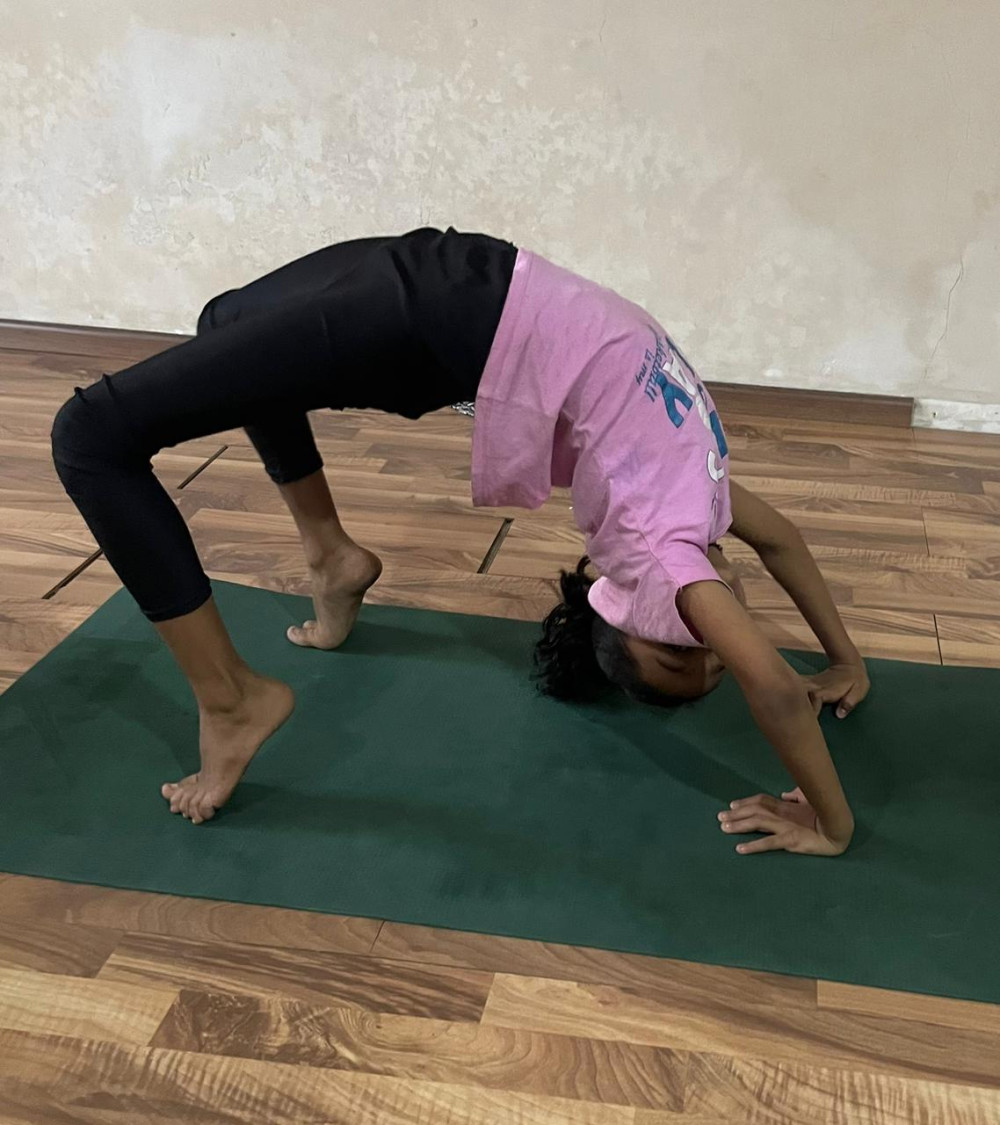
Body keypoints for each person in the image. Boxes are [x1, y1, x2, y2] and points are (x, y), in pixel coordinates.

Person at [51, 226, 869, 853]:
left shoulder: (666, 550)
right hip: (468, 278)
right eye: (710, 655)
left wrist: (825, 809)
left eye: (678, 653)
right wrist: (843, 676)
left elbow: (770, 683)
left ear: (620, 598)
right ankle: (331, 555)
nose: (708, 641)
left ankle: (233, 699)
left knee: (90, 436)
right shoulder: (694, 503)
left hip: (436, 316)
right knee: (223, 323)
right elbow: (783, 557)